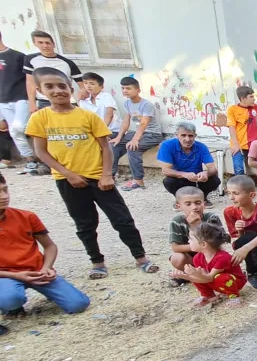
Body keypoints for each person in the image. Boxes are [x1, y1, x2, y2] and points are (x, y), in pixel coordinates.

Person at [26, 68, 158, 279]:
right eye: (49, 86)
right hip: (67, 180)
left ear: (70, 89)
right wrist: (67, 174)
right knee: (85, 223)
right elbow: (41, 151)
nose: (57, 91)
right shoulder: (40, 118)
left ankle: (140, 257)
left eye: (61, 86)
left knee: (122, 219)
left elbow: (106, 147)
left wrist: (107, 175)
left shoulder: (87, 116)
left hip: (98, 177)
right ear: (40, 90)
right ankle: (97, 262)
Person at [0, 171, 90, 316]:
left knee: (78, 304)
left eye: (5, 189)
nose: (4, 196)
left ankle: (51, 292)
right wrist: (18, 276)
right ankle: (11, 306)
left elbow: (49, 246)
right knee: (11, 299)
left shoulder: (26, 216)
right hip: (5, 275)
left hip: (37, 271)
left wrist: (46, 267)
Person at [24, 31, 85, 175]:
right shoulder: (31, 60)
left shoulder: (66, 62)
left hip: (68, 103)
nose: (45, 46)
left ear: (53, 44)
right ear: (35, 44)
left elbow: (81, 84)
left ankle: (74, 163)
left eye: (47, 42)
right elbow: (30, 83)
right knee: (47, 135)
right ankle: (48, 165)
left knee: (70, 133)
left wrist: (82, 92)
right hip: (44, 102)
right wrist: (32, 103)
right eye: (41, 42)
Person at [171, 218, 247, 307]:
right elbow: (203, 276)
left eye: (191, 239)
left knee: (220, 278)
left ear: (203, 244)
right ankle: (209, 296)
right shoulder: (197, 258)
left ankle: (234, 296)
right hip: (213, 280)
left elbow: (209, 278)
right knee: (196, 275)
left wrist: (191, 276)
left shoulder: (222, 258)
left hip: (234, 281)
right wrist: (185, 276)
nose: (188, 242)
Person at [111, 77, 163, 190]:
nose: (125, 91)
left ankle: (138, 180)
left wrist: (135, 139)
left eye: (128, 88)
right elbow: (126, 121)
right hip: (138, 132)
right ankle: (111, 176)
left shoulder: (146, 105)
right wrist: (119, 137)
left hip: (152, 134)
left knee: (132, 147)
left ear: (138, 90)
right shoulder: (127, 103)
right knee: (114, 145)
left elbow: (144, 124)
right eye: (123, 88)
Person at [167, 186, 223, 283]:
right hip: (191, 259)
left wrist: (197, 226)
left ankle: (205, 275)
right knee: (177, 258)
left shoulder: (211, 218)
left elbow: (217, 242)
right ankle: (193, 275)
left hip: (210, 256)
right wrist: (197, 246)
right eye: (188, 204)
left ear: (204, 204)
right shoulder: (177, 221)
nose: (194, 207)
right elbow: (176, 248)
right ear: (179, 206)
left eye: (198, 203)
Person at [157, 122, 221, 199]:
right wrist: (184, 174)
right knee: (169, 181)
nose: (187, 139)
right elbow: (165, 170)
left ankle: (203, 198)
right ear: (176, 135)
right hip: (179, 178)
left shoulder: (202, 147)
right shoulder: (167, 145)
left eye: (190, 136)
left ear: (195, 136)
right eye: (183, 135)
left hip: (197, 178)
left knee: (215, 180)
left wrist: (206, 173)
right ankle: (180, 199)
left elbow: (213, 169)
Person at [0, 31, 30, 171]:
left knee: (18, 127)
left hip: (20, 97)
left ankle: (37, 157)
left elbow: (28, 79)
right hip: (2, 100)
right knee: (13, 131)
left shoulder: (17, 56)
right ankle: (29, 159)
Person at [227, 85, 257, 176]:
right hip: (239, 145)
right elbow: (231, 127)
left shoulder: (255, 107)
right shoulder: (233, 109)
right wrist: (235, 144)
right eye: (251, 97)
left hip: (254, 145)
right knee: (239, 170)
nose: (254, 99)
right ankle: (239, 189)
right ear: (243, 98)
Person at [79, 73, 121, 137]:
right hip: (94, 133)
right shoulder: (83, 100)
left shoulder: (106, 96)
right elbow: (84, 119)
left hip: (112, 131)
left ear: (101, 87)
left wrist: (102, 131)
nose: (88, 86)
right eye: (85, 83)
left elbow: (109, 115)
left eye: (92, 84)